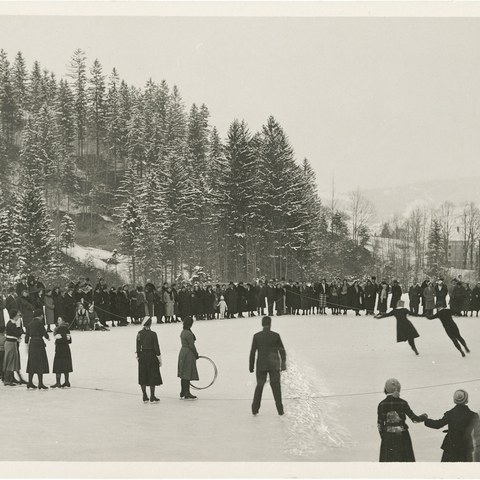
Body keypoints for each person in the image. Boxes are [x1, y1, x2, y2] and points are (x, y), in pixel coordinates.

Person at [377, 378, 427, 462]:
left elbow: (380, 425)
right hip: (403, 436)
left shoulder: (381, 404)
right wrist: (423, 417)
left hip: (388, 437)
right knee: (405, 463)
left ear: (386, 389)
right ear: (399, 389)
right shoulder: (403, 403)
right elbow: (415, 420)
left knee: (388, 466)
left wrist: (384, 437)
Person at [424, 389, 480, 462]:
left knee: (447, 471)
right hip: (465, 449)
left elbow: (437, 424)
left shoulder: (450, 414)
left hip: (450, 448)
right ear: (466, 400)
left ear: (455, 400)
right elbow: (477, 434)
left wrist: (425, 420)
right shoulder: (473, 415)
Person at [249, 315, 287, 416]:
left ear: (262, 324)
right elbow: (282, 351)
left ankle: (255, 409)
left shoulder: (257, 336)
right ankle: (280, 409)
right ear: (270, 324)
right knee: (276, 386)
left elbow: (252, 352)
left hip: (261, 364)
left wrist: (251, 366)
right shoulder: (276, 336)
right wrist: (283, 364)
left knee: (259, 386)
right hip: (274, 364)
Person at [136, 317, 162, 403]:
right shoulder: (153, 334)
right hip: (151, 355)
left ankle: (144, 395)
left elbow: (138, 347)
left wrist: (139, 357)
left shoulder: (139, 334)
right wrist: (159, 358)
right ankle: (152, 396)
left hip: (143, 356)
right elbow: (156, 347)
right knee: (152, 375)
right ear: (150, 324)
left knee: (143, 375)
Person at [25, 310, 50, 390]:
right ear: (40, 315)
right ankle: (40, 383)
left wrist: (26, 343)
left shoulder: (29, 324)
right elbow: (44, 332)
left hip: (32, 343)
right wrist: (47, 337)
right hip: (39, 343)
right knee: (40, 362)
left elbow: (27, 336)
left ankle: (30, 382)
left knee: (31, 362)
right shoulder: (39, 323)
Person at [177, 316, 199, 400]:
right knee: (187, 372)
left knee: (184, 373)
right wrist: (196, 354)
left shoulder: (183, 332)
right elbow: (192, 346)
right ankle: (187, 392)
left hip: (183, 352)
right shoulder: (188, 333)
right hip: (188, 353)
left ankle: (183, 391)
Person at [51, 317, 73, 388]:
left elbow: (62, 339)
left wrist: (57, 339)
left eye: (59, 320)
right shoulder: (66, 328)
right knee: (66, 365)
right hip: (66, 349)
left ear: (63, 321)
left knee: (58, 365)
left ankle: (58, 382)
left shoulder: (60, 328)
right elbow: (69, 340)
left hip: (60, 349)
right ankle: (67, 381)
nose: (58, 321)